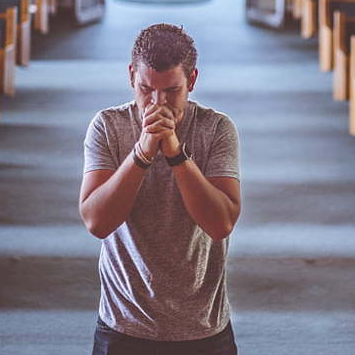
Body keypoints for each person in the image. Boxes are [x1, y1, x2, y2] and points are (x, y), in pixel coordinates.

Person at [79, 23, 241, 355]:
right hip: (123, 324)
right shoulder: (108, 127)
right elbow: (97, 222)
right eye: (145, 89)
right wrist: (142, 152)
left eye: (171, 91)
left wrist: (175, 152)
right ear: (130, 76)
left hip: (202, 326)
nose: (157, 103)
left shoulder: (217, 129)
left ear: (192, 81)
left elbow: (220, 224)